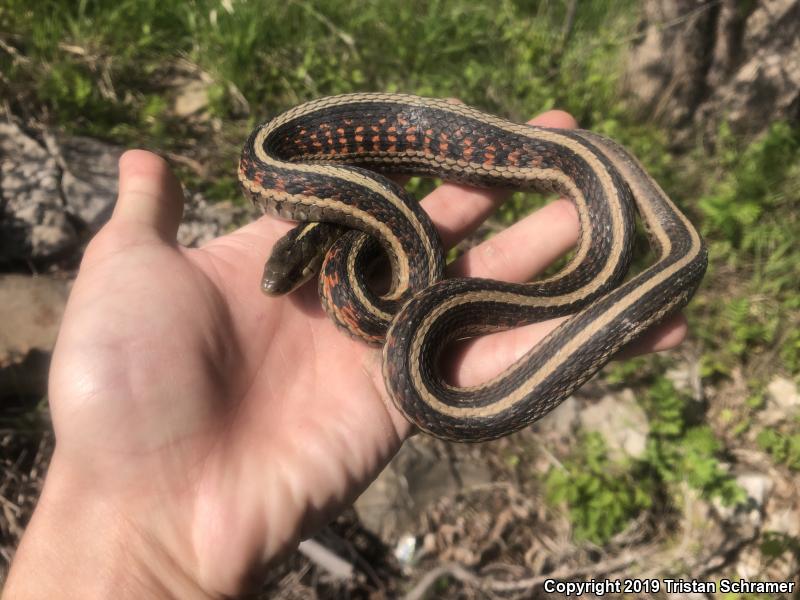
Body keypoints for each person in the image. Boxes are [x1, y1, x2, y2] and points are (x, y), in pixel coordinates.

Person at [4, 110, 687, 598]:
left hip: (409, 261)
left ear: (310, 252)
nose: (279, 288)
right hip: (373, 241)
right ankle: (623, 209)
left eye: (289, 275)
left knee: (593, 224)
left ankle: (650, 236)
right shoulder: (331, 221)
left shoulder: (381, 269)